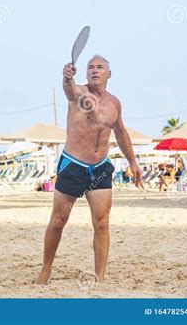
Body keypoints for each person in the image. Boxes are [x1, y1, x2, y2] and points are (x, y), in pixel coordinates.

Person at [36, 55, 143, 285]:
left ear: (109, 74)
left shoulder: (114, 103)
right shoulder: (80, 93)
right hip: (73, 165)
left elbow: (121, 132)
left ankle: (100, 278)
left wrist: (133, 162)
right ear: (85, 73)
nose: (95, 71)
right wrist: (67, 78)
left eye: (100, 67)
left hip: (100, 168)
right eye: (91, 67)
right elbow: (69, 91)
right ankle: (45, 270)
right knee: (58, 221)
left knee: (102, 222)